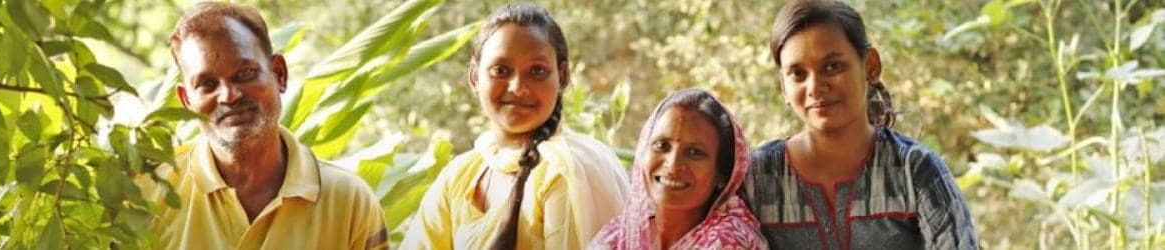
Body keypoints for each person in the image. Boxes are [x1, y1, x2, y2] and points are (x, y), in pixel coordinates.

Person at [133, 2, 387, 249]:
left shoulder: (349, 201)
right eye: (207, 85)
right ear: (187, 101)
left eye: (244, 74)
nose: (229, 96)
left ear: (279, 74)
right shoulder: (147, 193)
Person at [741, 0, 978, 249]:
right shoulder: (757, 178)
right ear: (783, 87)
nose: (815, 87)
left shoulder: (914, 170)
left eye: (832, 67)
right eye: (798, 74)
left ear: (870, 66)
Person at [400, 3, 628, 249]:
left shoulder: (569, 170)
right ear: (475, 78)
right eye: (501, 70)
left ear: (562, 77)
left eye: (537, 71)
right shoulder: (460, 175)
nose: (518, 87)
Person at [590, 89, 767, 249]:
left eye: (694, 153)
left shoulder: (730, 241)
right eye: (662, 145)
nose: (673, 165)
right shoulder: (620, 235)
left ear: (723, 175)